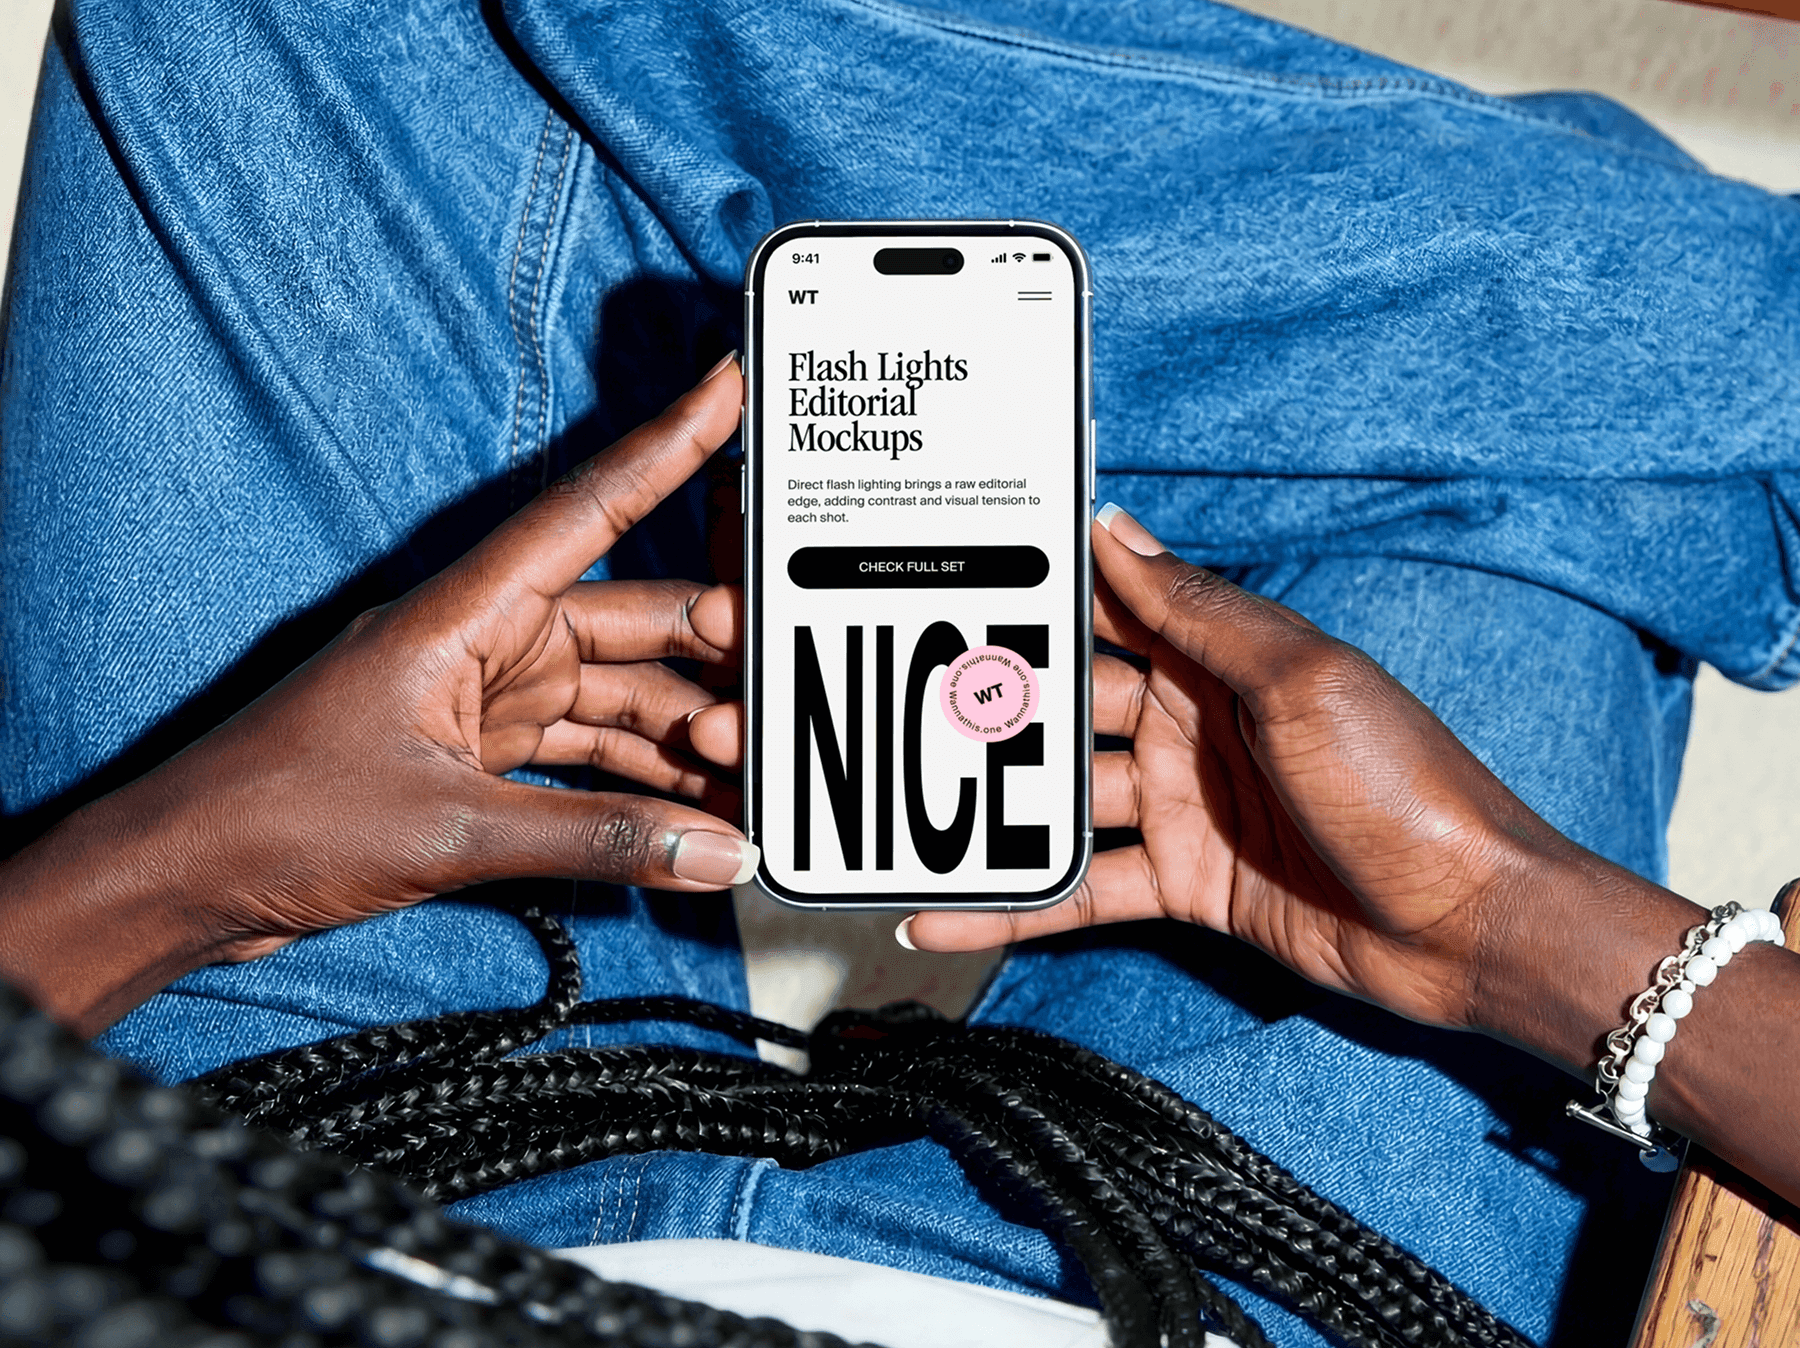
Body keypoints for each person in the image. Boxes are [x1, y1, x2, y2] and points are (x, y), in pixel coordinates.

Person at [5, 0, 1799, 1343]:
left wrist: (184, 865)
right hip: (1234, 1265)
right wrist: (1516, 927)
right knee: (1600, 450)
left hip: (265, 1155)